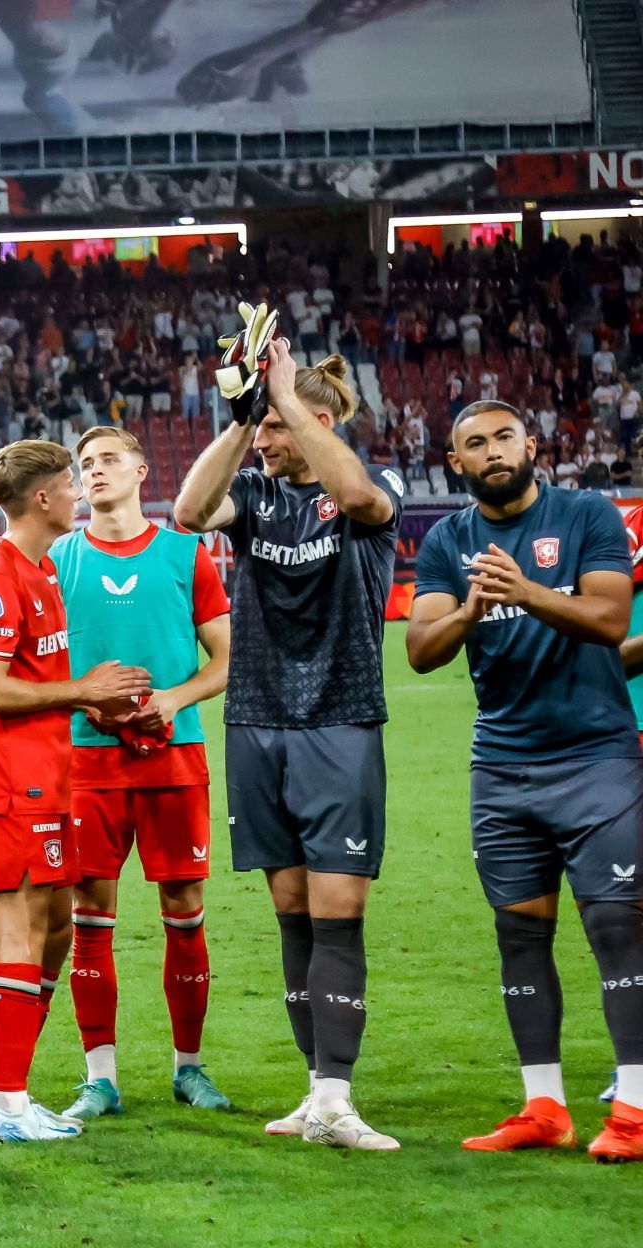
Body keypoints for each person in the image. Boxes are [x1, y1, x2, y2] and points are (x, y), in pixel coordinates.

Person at [174, 339, 406, 1150]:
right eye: (264, 428)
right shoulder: (255, 492)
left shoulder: (372, 485)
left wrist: (292, 406)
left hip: (340, 720)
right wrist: (241, 420)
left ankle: (339, 1099)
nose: (269, 440)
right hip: (258, 721)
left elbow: (356, 495)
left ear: (321, 418)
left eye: (277, 426)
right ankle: (317, 1094)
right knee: (292, 912)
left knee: (340, 911)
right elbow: (187, 513)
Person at [407, 402, 643, 1161]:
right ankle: (544, 1107)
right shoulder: (447, 540)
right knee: (520, 937)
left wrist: (526, 590)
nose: (493, 451)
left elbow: (609, 621)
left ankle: (634, 1111)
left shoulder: (588, 516)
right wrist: (475, 607)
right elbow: (420, 648)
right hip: (501, 767)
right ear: (455, 463)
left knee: (617, 929)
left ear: (531, 444)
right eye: (474, 444)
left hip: (596, 759)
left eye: (504, 437)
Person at [0, 441, 152, 1143]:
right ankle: (8, 1104)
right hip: (11, 782)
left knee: (57, 931)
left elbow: (32, 682)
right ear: (42, 499)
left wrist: (91, 706)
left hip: (51, 776)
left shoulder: (40, 572)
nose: (79, 494)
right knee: (23, 928)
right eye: (70, 484)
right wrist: (82, 690)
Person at [50, 427, 232, 1121]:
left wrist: (171, 700)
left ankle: (190, 1068)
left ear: (140, 470)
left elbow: (223, 657)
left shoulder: (186, 553)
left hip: (174, 757)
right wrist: (82, 696)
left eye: (107, 461)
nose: (94, 472)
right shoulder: (59, 558)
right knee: (90, 919)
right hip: (87, 761)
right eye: (85, 464)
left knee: (184, 914)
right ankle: (101, 1078)